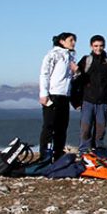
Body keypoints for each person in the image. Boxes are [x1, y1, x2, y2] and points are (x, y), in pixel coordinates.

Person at [39, 32, 77, 162]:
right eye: (71, 40)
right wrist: (44, 93)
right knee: (49, 126)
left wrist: (76, 72)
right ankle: (45, 156)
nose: (73, 43)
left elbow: (69, 78)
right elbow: (44, 74)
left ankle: (58, 154)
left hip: (65, 96)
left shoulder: (70, 57)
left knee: (62, 127)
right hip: (53, 95)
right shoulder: (53, 55)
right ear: (62, 41)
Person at [74, 34, 107, 154]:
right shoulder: (86, 61)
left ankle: (98, 150)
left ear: (104, 46)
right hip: (87, 100)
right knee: (85, 128)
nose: (98, 48)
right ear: (91, 46)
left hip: (103, 101)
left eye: (100, 46)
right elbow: (77, 81)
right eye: (96, 46)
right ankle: (84, 151)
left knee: (100, 129)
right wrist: (75, 102)